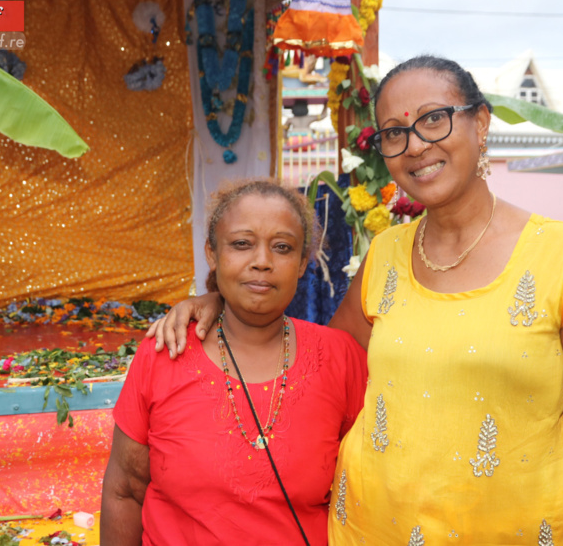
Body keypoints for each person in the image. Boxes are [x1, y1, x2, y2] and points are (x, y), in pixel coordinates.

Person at [147, 55, 563, 546]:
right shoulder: (387, 253)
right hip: (370, 530)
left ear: (481, 123)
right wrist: (221, 304)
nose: (415, 145)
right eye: (394, 132)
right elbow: (315, 355)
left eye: (434, 120)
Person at [101, 180, 367, 546]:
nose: (261, 261)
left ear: (303, 262)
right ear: (212, 254)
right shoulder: (167, 351)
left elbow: (366, 490)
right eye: (242, 244)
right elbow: (125, 493)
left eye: (282, 248)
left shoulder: (341, 358)